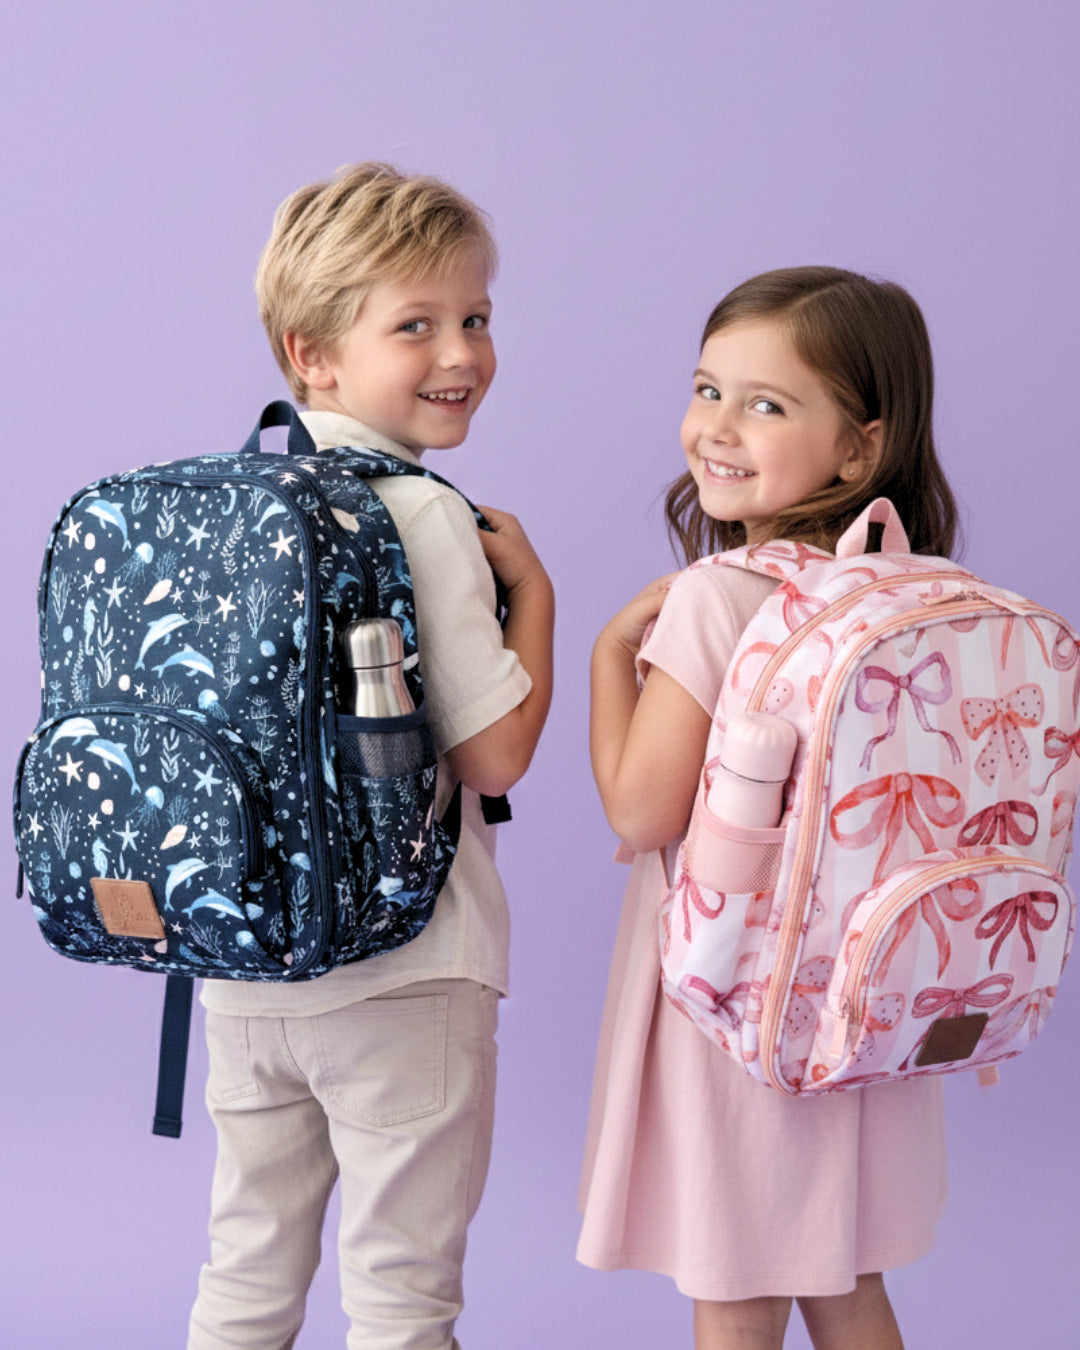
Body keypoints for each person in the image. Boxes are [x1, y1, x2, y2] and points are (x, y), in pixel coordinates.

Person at [187, 162, 555, 1350]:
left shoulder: (234, 503)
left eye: (477, 317)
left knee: (244, 1278)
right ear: (315, 353)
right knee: (401, 1301)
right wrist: (534, 594)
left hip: (245, 967)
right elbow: (496, 758)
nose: (463, 351)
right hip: (409, 971)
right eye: (418, 324)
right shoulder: (425, 512)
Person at [578, 266, 959, 1350]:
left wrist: (611, 652)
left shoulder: (712, 599)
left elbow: (642, 812)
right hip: (866, 992)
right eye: (708, 390)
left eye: (767, 404)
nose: (718, 427)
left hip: (734, 998)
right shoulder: (907, 595)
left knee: (734, 1289)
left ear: (860, 449)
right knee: (847, 1283)